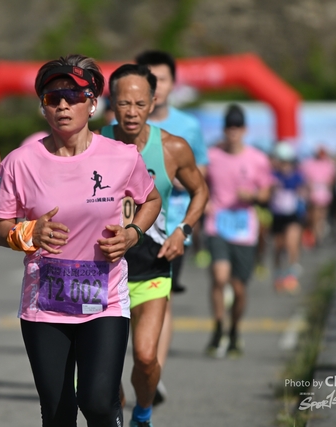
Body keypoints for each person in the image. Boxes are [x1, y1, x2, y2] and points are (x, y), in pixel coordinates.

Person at [0, 54, 161, 427]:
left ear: (92, 103)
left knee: (98, 401)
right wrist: (28, 233)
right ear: (43, 107)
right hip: (45, 304)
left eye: (73, 96)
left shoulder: (122, 156)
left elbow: (151, 200)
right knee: (58, 412)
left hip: (104, 300)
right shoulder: (19, 161)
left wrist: (132, 234)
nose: (63, 105)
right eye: (53, 98)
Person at [100, 64, 208, 427]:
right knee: (105, 371)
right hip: (101, 269)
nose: (131, 112)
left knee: (146, 358)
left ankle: (142, 414)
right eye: (123, 103)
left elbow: (200, 191)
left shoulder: (171, 147)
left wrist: (183, 231)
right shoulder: (94, 142)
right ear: (111, 102)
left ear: (153, 102)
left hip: (151, 264)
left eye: (139, 103)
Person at [134, 49, 210, 405]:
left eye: (161, 79)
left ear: (171, 84)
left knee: (160, 298)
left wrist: (175, 179)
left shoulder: (187, 127)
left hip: (172, 227)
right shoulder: (117, 126)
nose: (155, 84)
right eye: (148, 77)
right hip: (128, 229)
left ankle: (154, 372)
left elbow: (200, 175)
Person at [204, 104, 272, 358]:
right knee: (219, 277)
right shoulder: (212, 156)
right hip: (217, 224)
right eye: (229, 127)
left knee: (239, 287)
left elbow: (266, 192)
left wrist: (253, 196)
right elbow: (199, 183)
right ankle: (218, 328)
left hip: (244, 229)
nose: (233, 132)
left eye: (237, 127)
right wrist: (205, 201)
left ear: (244, 130)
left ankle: (234, 330)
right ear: (224, 130)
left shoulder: (257, 159)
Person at [269, 142, 306, 293]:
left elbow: (304, 191)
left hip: (293, 215)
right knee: (278, 246)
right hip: (277, 216)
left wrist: (303, 192)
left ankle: (291, 275)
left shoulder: (297, 176)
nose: (284, 165)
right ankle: (278, 274)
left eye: (286, 162)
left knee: (292, 244)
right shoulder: (272, 176)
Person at [299, 146, 336, 248]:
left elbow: (331, 180)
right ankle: (316, 236)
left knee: (319, 218)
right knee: (317, 218)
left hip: (320, 195)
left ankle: (317, 237)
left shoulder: (325, 164)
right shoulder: (314, 164)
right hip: (317, 195)